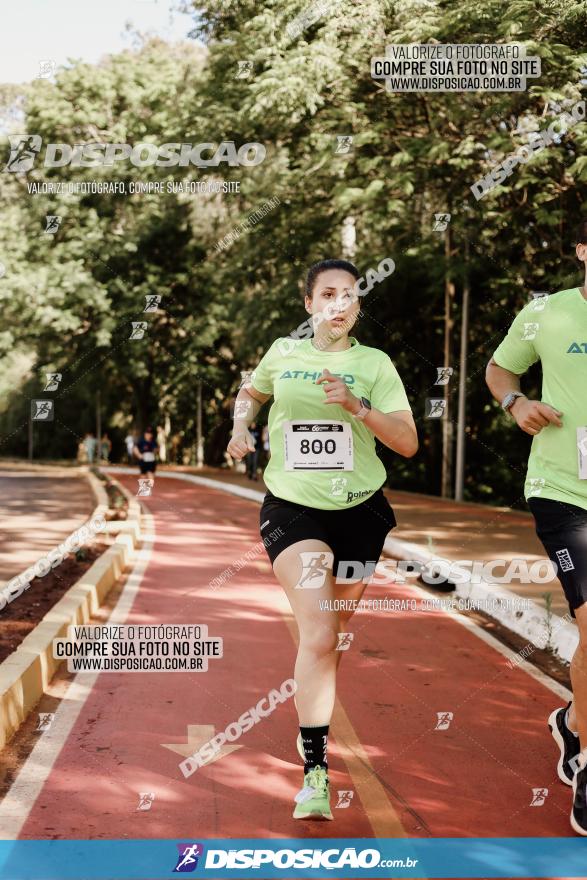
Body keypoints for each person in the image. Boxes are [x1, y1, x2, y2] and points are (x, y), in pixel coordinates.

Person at [227, 258, 418, 820]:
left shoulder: (375, 364)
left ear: (358, 306)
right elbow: (250, 392)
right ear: (309, 303)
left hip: (361, 513)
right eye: (328, 294)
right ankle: (316, 771)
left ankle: (309, 728)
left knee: (330, 638)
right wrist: (240, 425)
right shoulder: (283, 354)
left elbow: (407, 442)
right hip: (291, 510)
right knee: (318, 628)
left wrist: (358, 407)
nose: (339, 303)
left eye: (350, 295)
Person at [486, 219, 587, 836]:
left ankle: (574, 722)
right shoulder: (544, 313)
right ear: (582, 249)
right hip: (561, 490)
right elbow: (500, 372)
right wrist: (515, 403)